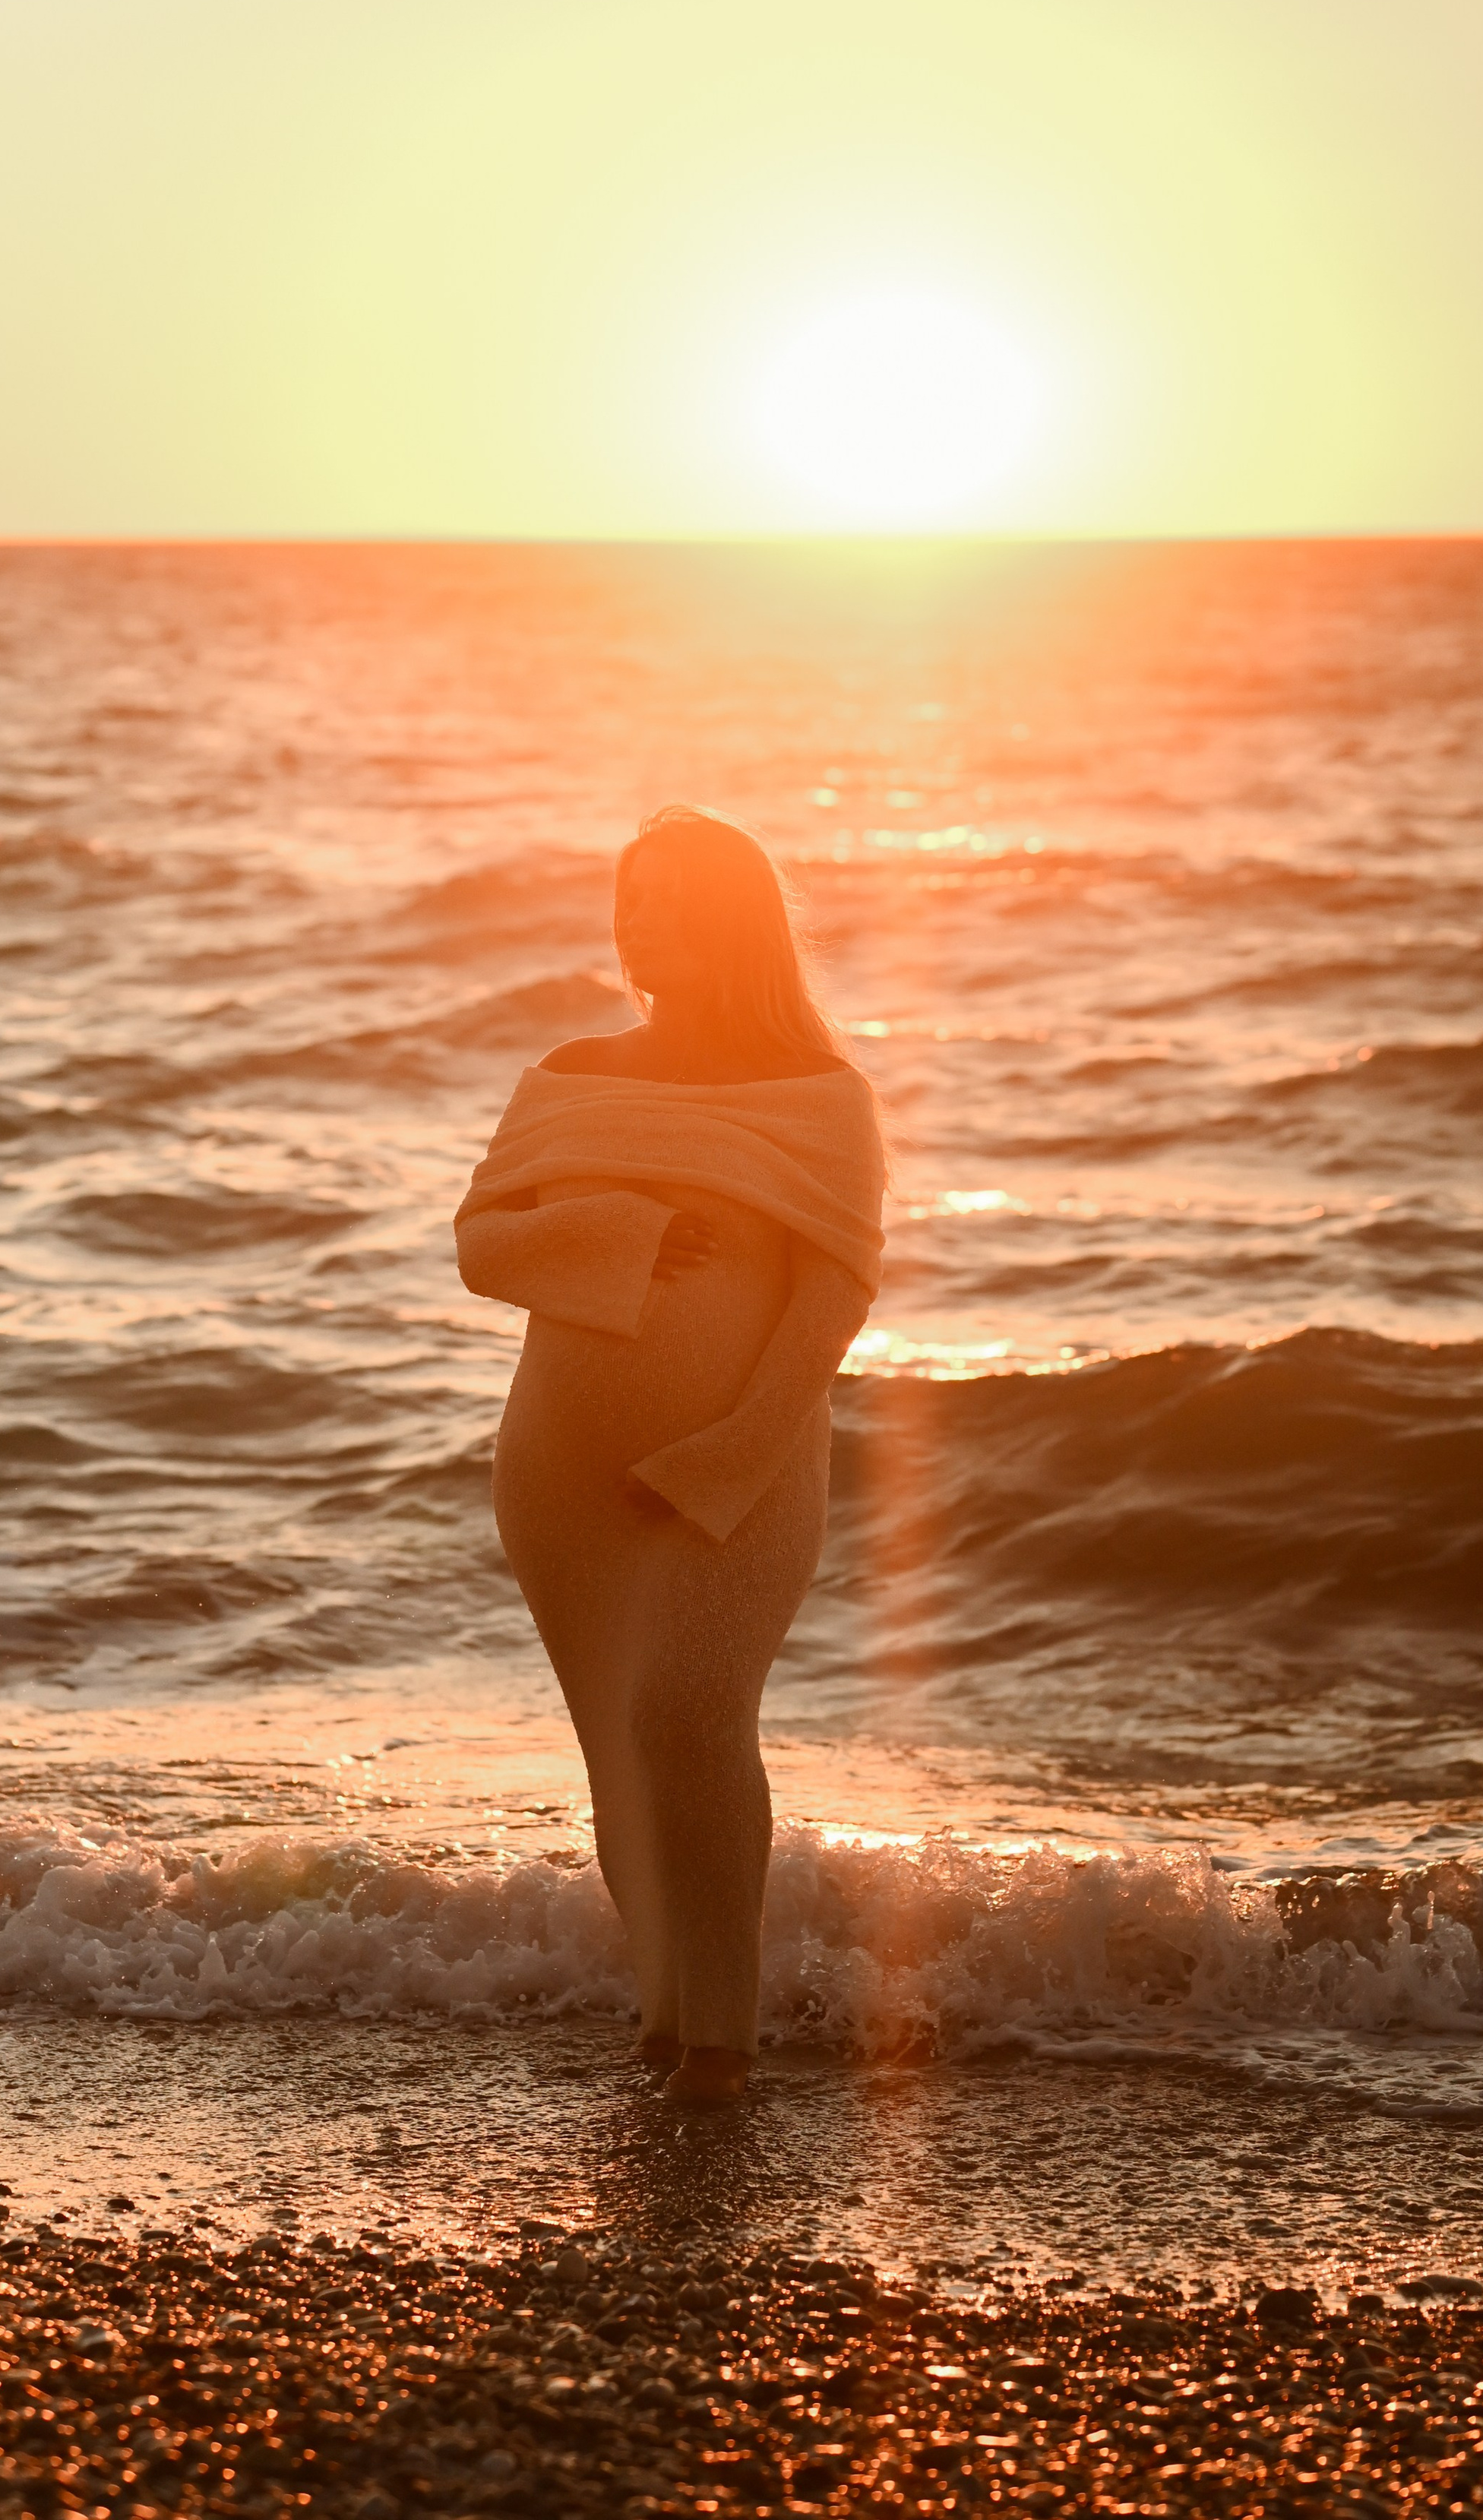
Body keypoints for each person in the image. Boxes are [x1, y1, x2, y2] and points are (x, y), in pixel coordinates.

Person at [454, 805, 885, 2103]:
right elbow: (483, 1246)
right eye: (628, 899)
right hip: (560, 1471)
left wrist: (729, 1455)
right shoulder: (572, 1072)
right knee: (618, 1749)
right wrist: (621, 1225)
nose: (640, 924)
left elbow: (829, 1308)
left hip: (737, 1464)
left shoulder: (824, 1100)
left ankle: (725, 2041)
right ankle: (664, 2011)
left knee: (687, 1716)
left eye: (672, 900)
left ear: (736, 922)